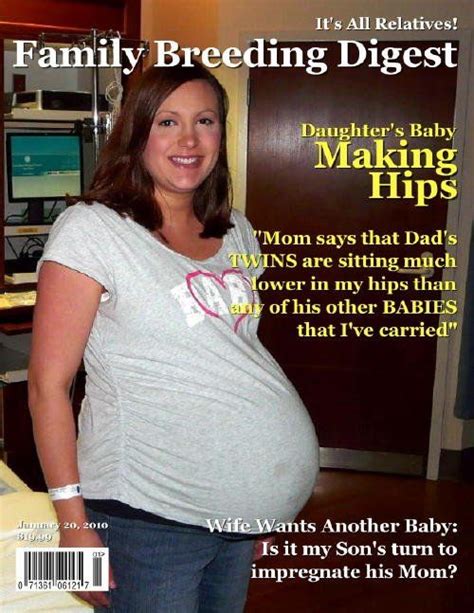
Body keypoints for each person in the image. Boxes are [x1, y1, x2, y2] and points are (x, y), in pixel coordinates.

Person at [28, 62, 319, 612]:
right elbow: (48, 384)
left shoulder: (236, 227)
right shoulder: (94, 228)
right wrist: (70, 529)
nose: (188, 140)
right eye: (167, 122)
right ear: (136, 132)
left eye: (204, 121)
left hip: (233, 519)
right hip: (147, 518)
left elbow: (231, 353)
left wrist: (255, 504)